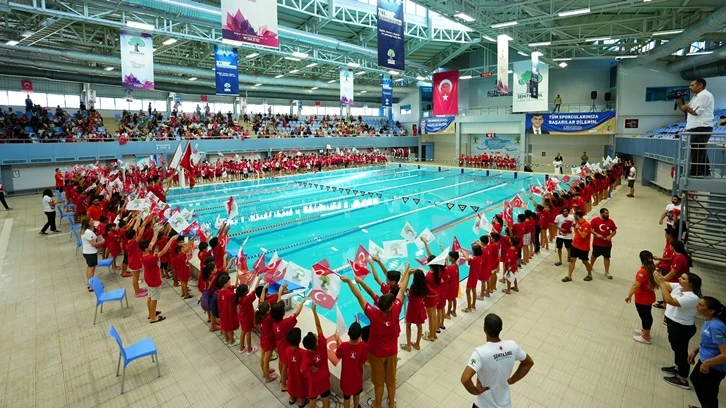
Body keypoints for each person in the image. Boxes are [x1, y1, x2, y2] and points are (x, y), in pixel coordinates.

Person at [341, 264, 411, 408]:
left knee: (378, 383)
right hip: (391, 352)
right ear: (391, 306)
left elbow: (359, 296)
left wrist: (350, 282)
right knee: (391, 381)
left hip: (377, 353)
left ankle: (377, 404)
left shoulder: (373, 314)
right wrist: (408, 273)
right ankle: (391, 403)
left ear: (379, 305)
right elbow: (402, 288)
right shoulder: (396, 310)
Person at [460, 313, 534, 408]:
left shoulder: (480, 353)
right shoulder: (512, 346)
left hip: (484, 404)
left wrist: (476, 391)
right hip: (505, 404)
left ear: (484, 328)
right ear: (501, 329)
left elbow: (465, 379)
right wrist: (512, 380)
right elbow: (529, 363)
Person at [655, 271, 702, 389]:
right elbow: (665, 284)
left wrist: (661, 283)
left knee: (681, 352)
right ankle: (677, 367)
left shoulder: (692, 297)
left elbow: (670, 300)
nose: (680, 279)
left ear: (691, 284)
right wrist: (657, 275)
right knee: (676, 348)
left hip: (682, 327)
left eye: (683, 278)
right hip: (673, 323)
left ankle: (682, 378)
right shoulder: (679, 287)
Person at [688, 296, 726, 408]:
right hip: (706, 361)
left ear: (711, 311)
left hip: (714, 367)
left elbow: (725, 355)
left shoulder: (716, 327)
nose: (697, 306)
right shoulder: (708, 320)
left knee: (709, 394)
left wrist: (707, 363)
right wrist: (697, 348)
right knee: (696, 380)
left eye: (700, 305)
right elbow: (710, 342)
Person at [677, 78, 714, 177]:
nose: (690, 87)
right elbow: (684, 109)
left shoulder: (704, 95)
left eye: (692, 85)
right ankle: (705, 171)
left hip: (702, 127)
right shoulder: (696, 97)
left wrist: (686, 107)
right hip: (696, 127)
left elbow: (696, 112)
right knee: (700, 149)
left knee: (696, 150)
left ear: (700, 85)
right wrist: (679, 100)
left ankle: (695, 172)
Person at [140, 231, 176, 323]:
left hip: (148, 277)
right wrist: (171, 240)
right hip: (153, 279)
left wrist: (156, 232)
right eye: (149, 246)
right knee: (154, 298)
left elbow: (152, 242)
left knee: (150, 296)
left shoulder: (144, 255)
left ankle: (150, 313)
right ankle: (153, 318)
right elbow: (163, 251)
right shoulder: (150, 258)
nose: (151, 246)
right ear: (145, 249)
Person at [302, 303, 331, 408]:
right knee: (325, 398)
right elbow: (318, 326)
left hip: (314, 381)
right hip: (324, 377)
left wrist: (310, 367)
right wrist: (314, 312)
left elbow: (303, 369)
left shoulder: (306, 355)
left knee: (312, 400)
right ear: (316, 342)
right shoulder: (322, 344)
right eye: (315, 335)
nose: (316, 334)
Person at [626, 251, 657, 344]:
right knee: (647, 315)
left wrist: (629, 295)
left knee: (645, 316)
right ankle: (645, 331)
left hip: (643, 298)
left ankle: (646, 337)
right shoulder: (653, 268)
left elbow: (636, 285)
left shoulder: (643, 272)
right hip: (649, 297)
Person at [335, 322, 368, 408]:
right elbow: (365, 361)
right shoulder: (363, 346)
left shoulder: (343, 346)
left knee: (346, 397)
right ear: (360, 335)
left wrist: (337, 340)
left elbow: (338, 355)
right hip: (357, 377)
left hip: (346, 378)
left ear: (348, 333)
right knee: (357, 394)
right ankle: (356, 406)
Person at [562, 210, 593, 282]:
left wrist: (578, 228)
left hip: (583, 247)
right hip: (575, 245)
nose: (573, 216)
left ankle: (589, 274)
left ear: (577, 215)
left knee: (584, 261)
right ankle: (569, 276)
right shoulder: (577, 223)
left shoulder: (586, 224)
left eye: (574, 215)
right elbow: (576, 233)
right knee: (572, 260)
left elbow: (583, 236)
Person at [590, 208, 617, 279]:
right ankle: (590, 266)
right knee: (594, 255)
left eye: (608, 213)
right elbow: (590, 229)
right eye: (606, 213)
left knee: (607, 257)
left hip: (607, 244)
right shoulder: (595, 220)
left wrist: (610, 236)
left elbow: (614, 230)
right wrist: (597, 234)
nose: (608, 215)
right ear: (601, 213)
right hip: (597, 243)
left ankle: (607, 272)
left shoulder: (611, 221)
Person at [80, 216, 104, 292]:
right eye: (91, 221)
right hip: (90, 252)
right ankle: (91, 285)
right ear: (88, 223)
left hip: (87, 252)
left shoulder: (87, 230)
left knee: (89, 268)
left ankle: (90, 282)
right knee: (91, 269)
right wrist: (102, 242)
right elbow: (93, 244)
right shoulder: (88, 232)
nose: (93, 221)